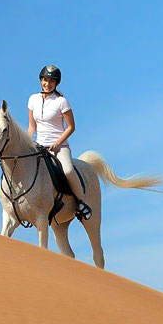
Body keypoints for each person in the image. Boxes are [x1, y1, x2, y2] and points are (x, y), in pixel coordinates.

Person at [27, 64, 92, 221]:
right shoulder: (33, 99)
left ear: (56, 83)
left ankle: (81, 202)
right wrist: (28, 142)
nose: (47, 84)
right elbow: (32, 126)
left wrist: (57, 143)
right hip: (40, 146)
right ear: (41, 80)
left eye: (51, 81)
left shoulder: (62, 102)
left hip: (59, 146)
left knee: (68, 171)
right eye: (45, 80)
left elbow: (71, 127)